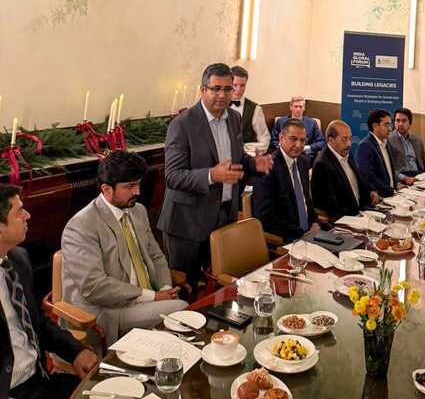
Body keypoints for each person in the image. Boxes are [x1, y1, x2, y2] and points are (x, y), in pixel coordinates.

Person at [157, 63, 273, 294]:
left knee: (217, 286)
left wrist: (253, 164)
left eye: (227, 89)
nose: (222, 95)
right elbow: (173, 176)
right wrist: (211, 175)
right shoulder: (182, 124)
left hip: (223, 216)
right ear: (203, 90)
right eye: (216, 89)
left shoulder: (234, 118)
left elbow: (236, 158)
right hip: (187, 222)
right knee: (186, 289)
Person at [62, 151, 188, 345]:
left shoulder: (138, 211)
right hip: (109, 310)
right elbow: (94, 287)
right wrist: (154, 297)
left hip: (147, 298)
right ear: (106, 189)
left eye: (138, 184)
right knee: (181, 310)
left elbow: (156, 256)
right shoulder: (81, 226)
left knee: (179, 316)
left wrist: (165, 289)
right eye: (129, 186)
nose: (137, 192)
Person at [0, 184, 98, 399]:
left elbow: (38, 323)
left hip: (39, 381)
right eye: (19, 211)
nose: (28, 215)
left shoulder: (18, 259)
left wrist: (76, 351)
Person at [253, 118, 319, 243]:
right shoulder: (266, 168)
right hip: (287, 239)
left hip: (311, 235)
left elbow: (305, 200)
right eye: (293, 139)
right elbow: (265, 218)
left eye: (302, 140)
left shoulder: (303, 162)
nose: (299, 145)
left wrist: (314, 222)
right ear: (281, 138)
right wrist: (301, 233)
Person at [311, 120, 379, 220]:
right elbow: (332, 206)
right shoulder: (322, 164)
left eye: (350, 138)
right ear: (331, 140)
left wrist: (370, 192)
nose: (349, 144)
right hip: (346, 219)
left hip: (362, 211)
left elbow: (357, 182)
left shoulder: (346, 153)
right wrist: (359, 217)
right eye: (344, 139)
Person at [269, 96, 325, 164]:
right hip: (285, 156)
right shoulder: (280, 121)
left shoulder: (312, 123)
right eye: (295, 106)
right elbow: (273, 141)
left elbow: (321, 142)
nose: (298, 109)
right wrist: (285, 147)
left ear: (304, 108)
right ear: (290, 107)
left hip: (305, 156)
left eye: (300, 107)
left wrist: (306, 148)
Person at [229, 66, 270, 156]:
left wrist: (245, 148)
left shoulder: (255, 109)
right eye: (235, 85)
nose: (238, 89)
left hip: (245, 157)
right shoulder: (219, 105)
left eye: (242, 85)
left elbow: (265, 140)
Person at [387, 108, 425, 186]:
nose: (400, 124)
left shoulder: (417, 140)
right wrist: (404, 178)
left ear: (410, 123)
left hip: (419, 176)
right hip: (401, 178)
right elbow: (388, 167)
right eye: (397, 120)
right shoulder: (388, 140)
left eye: (404, 121)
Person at [356, 109, 396, 197]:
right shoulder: (365, 146)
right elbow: (369, 178)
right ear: (375, 126)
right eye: (386, 125)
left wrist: (396, 185)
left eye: (390, 125)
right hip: (380, 196)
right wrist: (391, 191)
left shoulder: (386, 143)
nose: (390, 129)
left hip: (392, 194)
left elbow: (389, 172)